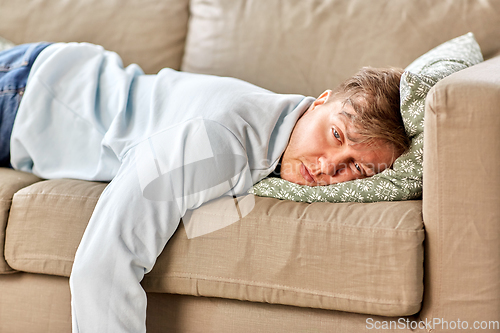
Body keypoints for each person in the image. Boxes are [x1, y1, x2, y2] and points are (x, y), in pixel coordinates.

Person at [0, 42, 408, 332]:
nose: (326, 168)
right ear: (318, 102)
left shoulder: (276, 139)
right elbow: (103, 265)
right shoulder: (214, 142)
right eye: (336, 135)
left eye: (358, 168)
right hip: (22, 93)